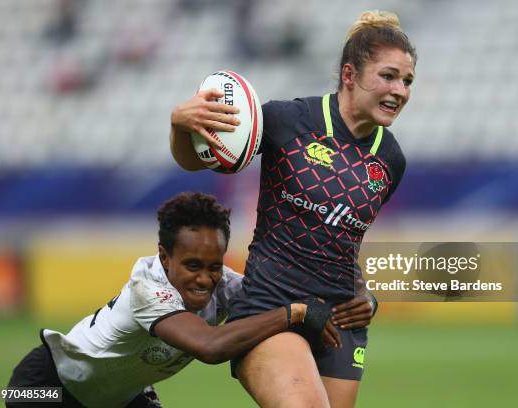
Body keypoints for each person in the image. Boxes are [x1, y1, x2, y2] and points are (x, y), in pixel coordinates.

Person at [169, 10, 416, 407]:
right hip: (271, 307)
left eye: (407, 81)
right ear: (350, 75)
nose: (400, 90)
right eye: (388, 76)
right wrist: (180, 125)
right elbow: (199, 160)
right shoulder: (289, 119)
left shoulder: (390, 159)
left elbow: (344, 242)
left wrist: (365, 295)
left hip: (339, 324)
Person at [6, 192, 340, 408]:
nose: (205, 278)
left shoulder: (223, 285)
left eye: (214, 266)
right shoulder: (146, 290)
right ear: (165, 258)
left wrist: (352, 300)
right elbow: (210, 347)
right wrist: (294, 313)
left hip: (121, 398)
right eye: (192, 265)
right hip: (45, 388)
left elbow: (292, 294)